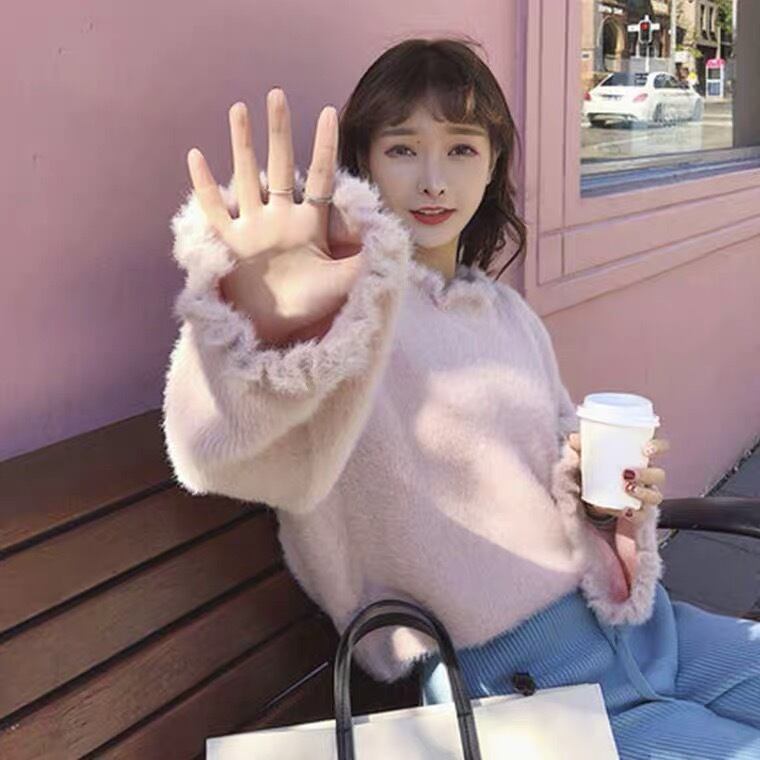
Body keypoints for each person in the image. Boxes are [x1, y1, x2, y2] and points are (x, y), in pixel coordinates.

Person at [162, 37, 760, 757]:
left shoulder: (507, 316)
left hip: (648, 633)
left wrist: (607, 508)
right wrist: (270, 333)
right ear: (364, 161)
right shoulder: (346, 324)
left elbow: (557, 479)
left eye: (461, 149)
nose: (433, 181)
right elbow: (217, 455)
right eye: (403, 149)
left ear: (493, 162)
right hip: (520, 693)